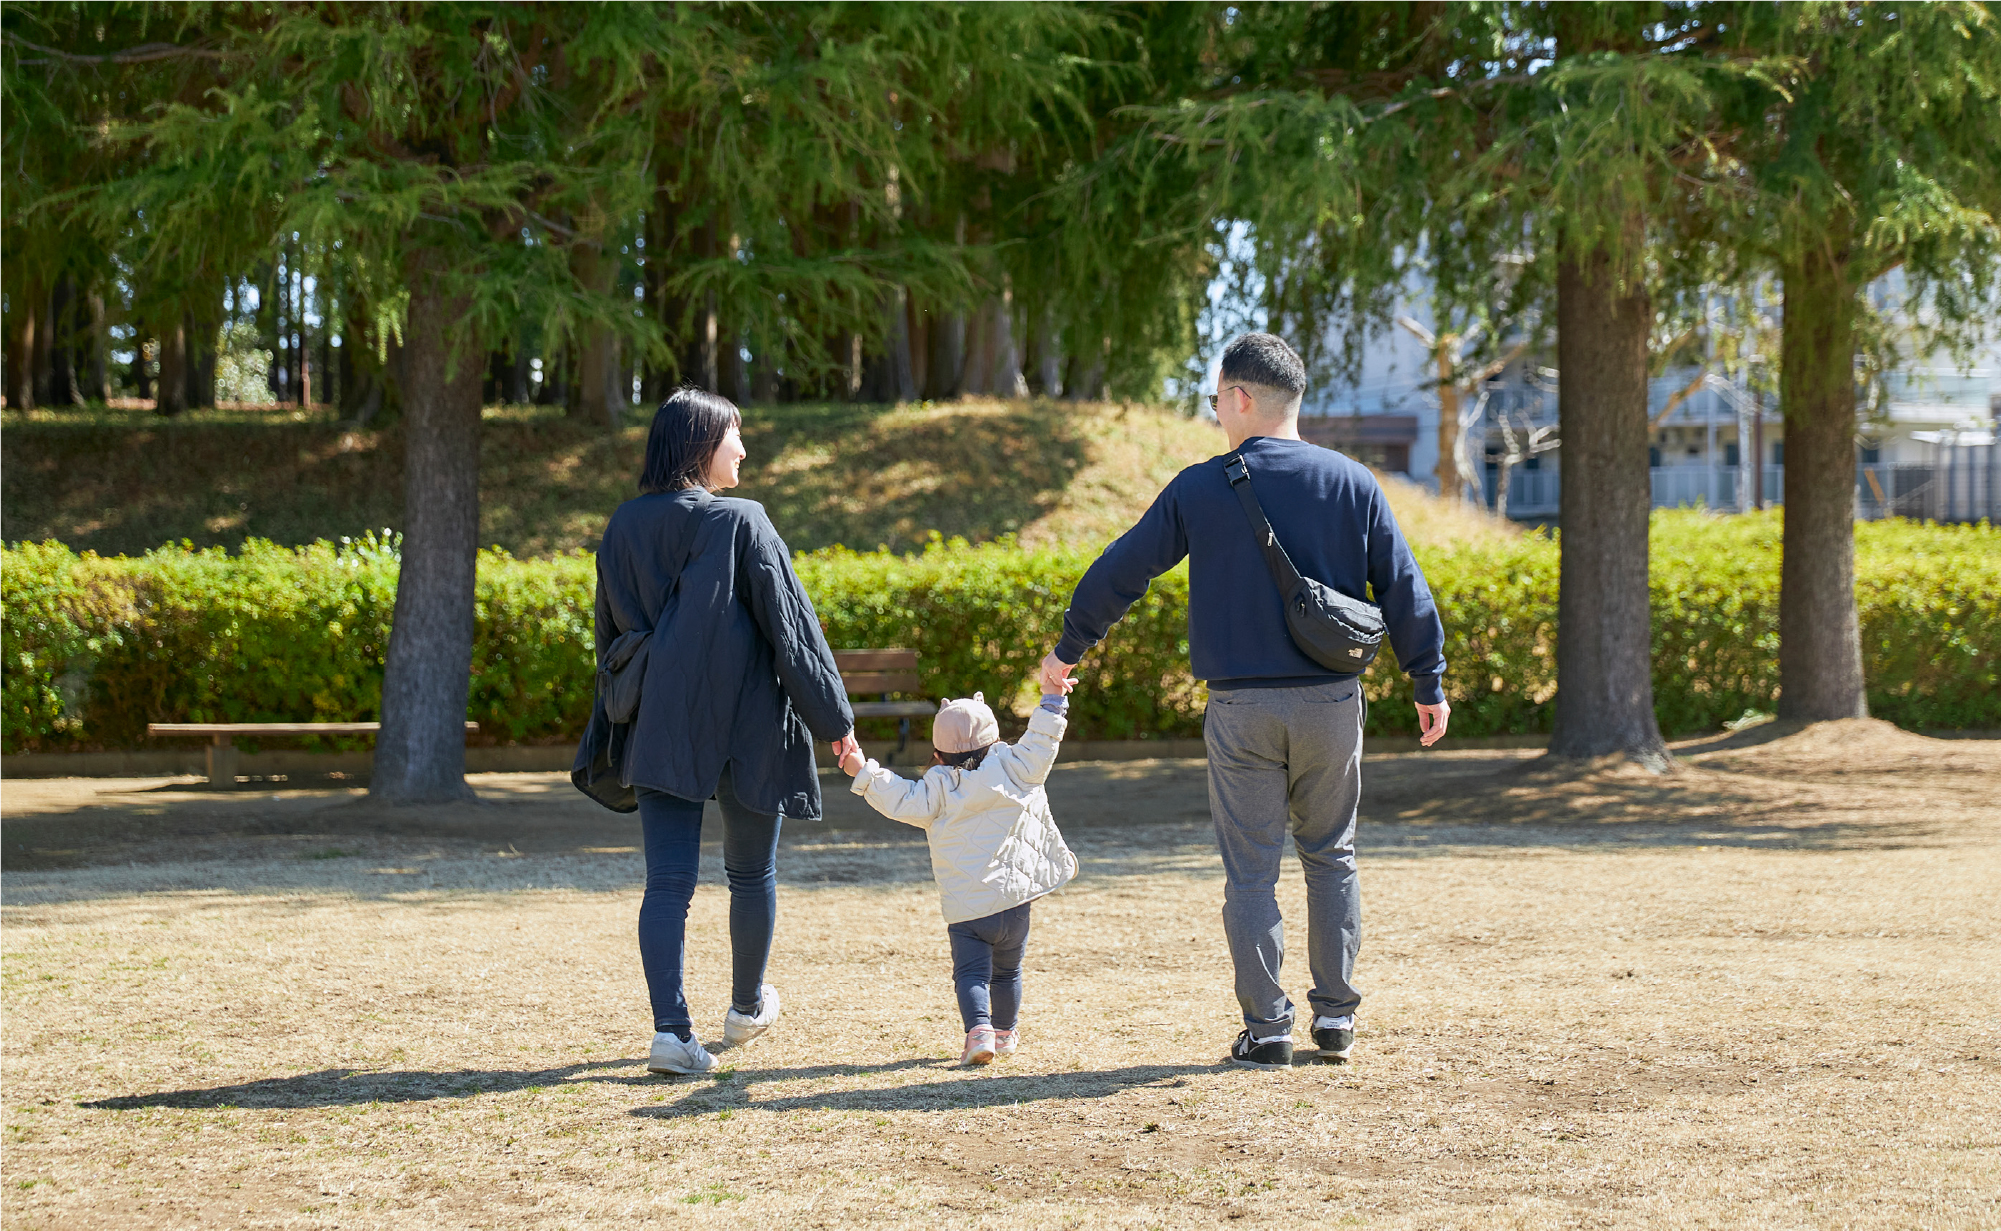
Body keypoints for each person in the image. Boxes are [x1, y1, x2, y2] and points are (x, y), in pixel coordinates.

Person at [1038, 332, 1449, 1069]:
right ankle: (1336, 1021)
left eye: (1213, 399)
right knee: (1331, 855)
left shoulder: (1201, 486)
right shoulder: (1353, 481)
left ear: (1239, 398)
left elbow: (1122, 570)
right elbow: (1402, 584)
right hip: (1330, 702)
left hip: (1242, 709)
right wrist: (1427, 679)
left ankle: (1267, 1029)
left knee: (1251, 870)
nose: (1213, 412)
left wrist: (1068, 647)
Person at [581, 386, 862, 1076]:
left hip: (660, 724)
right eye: (735, 434)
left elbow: (609, 636)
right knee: (751, 870)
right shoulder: (743, 521)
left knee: (667, 880)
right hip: (746, 723)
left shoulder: (622, 526)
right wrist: (838, 725)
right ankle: (743, 1008)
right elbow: (792, 633)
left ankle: (671, 1033)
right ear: (702, 444)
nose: (743, 448)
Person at [839, 683, 1078, 1066]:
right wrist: (1053, 698)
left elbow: (897, 796)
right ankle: (1005, 1032)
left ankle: (978, 1030)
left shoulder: (937, 789)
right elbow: (1042, 738)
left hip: (968, 910)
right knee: (1008, 970)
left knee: (971, 974)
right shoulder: (1018, 766)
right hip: (1016, 902)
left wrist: (863, 770)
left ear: (937, 754)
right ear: (996, 738)